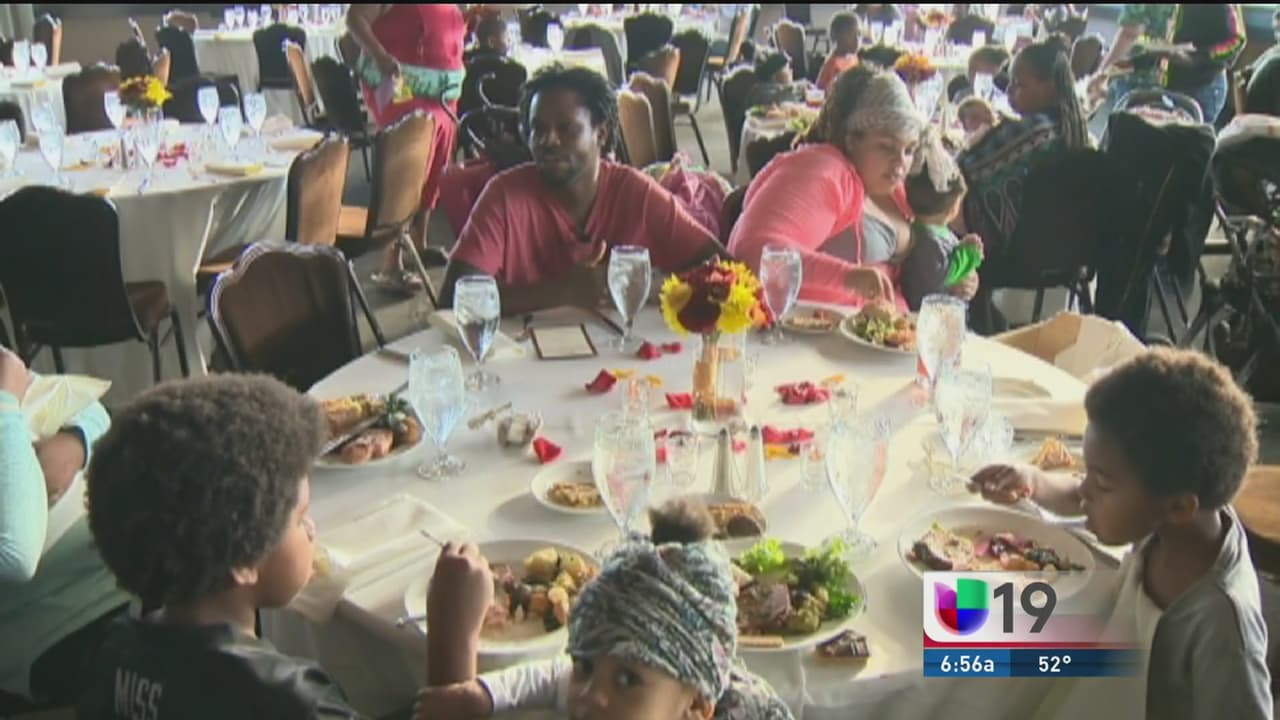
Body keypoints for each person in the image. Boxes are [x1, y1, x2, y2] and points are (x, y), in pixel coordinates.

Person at [971, 349, 1272, 719]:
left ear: (1178, 507)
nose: (1085, 490)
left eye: (1102, 483)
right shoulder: (1175, 516)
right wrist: (1034, 481)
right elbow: (1081, 495)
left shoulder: (1222, 628)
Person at [411, 498, 795, 719]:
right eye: (585, 666)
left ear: (695, 706)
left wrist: (452, 643)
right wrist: (484, 693)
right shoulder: (627, 689)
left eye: (627, 680)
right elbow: (556, 676)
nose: (590, 695)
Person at [440, 65, 723, 316]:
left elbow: (726, 269)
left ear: (600, 134)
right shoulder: (504, 196)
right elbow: (452, 298)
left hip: (623, 351)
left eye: (566, 129)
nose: (548, 141)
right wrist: (562, 290)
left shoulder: (636, 192)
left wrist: (652, 285)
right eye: (538, 129)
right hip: (523, 354)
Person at [729, 66, 978, 309]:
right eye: (886, 146)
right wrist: (847, 277)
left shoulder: (890, 186)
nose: (900, 162)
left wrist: (954, 275)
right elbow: (754, 251)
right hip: (815, 329)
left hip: (889, 326)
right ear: (851, 139)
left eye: (909, 149)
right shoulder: (823, 170)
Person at [0, 349, 130, 713]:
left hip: (117, 566)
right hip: (60, 625)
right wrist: (6, 407)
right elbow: (16, 555)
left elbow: (82, 402)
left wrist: (75, 442)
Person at [347, 4, 466, 294]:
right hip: (403, 86)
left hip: (443, 91)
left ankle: (418, 245)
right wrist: (381, 57)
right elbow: (355, 19)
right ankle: (392, 263)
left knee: (436, 169)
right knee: (410, 168)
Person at [958, 38, 1089, 259]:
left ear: (1050, 88)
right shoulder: (1068, 127)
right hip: (1054, 249)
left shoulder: (1032, 131)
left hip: (1005, 250)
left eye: (1019, 84)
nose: (1009, 90)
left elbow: (961, 172)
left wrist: (976, 140)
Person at [899, 131, 983, 311]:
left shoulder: (938, 231)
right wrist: (969, 255)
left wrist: (963, 250)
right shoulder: (926, 240)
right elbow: (944, 276)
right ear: (953, 209)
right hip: (931, 314)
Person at [1164, 4, 1246, 125]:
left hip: (1204, 85)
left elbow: (1237, 41)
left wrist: (1198, 58)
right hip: (1171, 82)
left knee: (1194, 134)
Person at [816, 12, 861, 91]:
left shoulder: (852, 58)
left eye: (859, 34)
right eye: (850, 34)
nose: (857, 39)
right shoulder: (833, 65)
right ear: (837, 36)